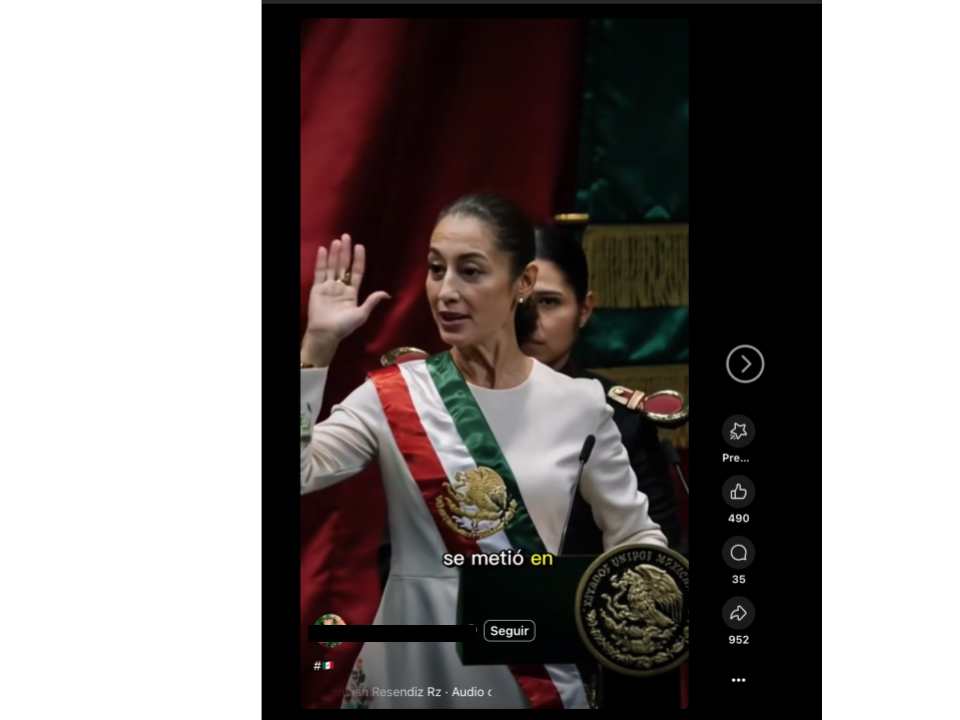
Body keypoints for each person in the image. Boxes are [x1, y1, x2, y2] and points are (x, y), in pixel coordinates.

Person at [300, 193, 668, 709]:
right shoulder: (392, 395)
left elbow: (634, 536)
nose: (446, 291)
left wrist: (637, 613)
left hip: (530, 673)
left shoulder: (580, 404)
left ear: (523, 282)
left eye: (470, 271)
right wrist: (317, 345)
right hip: (411, 666)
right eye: (436, 269)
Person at [520, 226, 685, 554]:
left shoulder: (620, 417)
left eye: (550, 302)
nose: (532, 319)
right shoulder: (453, 398)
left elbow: (662, 552)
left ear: (584, 310)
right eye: (520, 302)